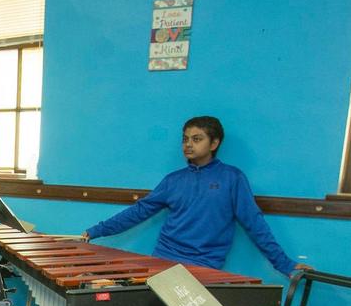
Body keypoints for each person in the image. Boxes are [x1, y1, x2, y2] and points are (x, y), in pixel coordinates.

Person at [82, 116, 309, 276]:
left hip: (204, 267)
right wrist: (95, 231)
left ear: (215, 143)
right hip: (162, 260)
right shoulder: (174, 180)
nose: (188, 144)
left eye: (196, 139)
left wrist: (285, 265)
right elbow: (139, 212)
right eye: (185, 139)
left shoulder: (233, 178)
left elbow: (254, 224)